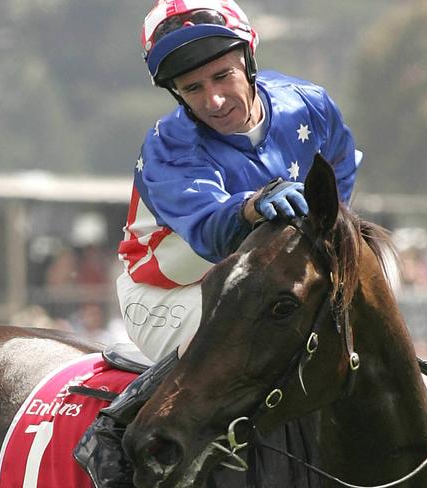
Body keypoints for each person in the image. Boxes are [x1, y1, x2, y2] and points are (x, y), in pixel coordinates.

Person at [74, 0, 361, 486]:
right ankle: (115, 431)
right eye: (193, 88)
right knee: (241, 351)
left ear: (249, 60)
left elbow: (340, 177)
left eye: (222, 77)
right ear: (176, 94)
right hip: (172, 291)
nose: (213, 101)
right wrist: (252, 205)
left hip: (260, 282)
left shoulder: (309, 105)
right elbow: (211, 229)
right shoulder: (170, 144)